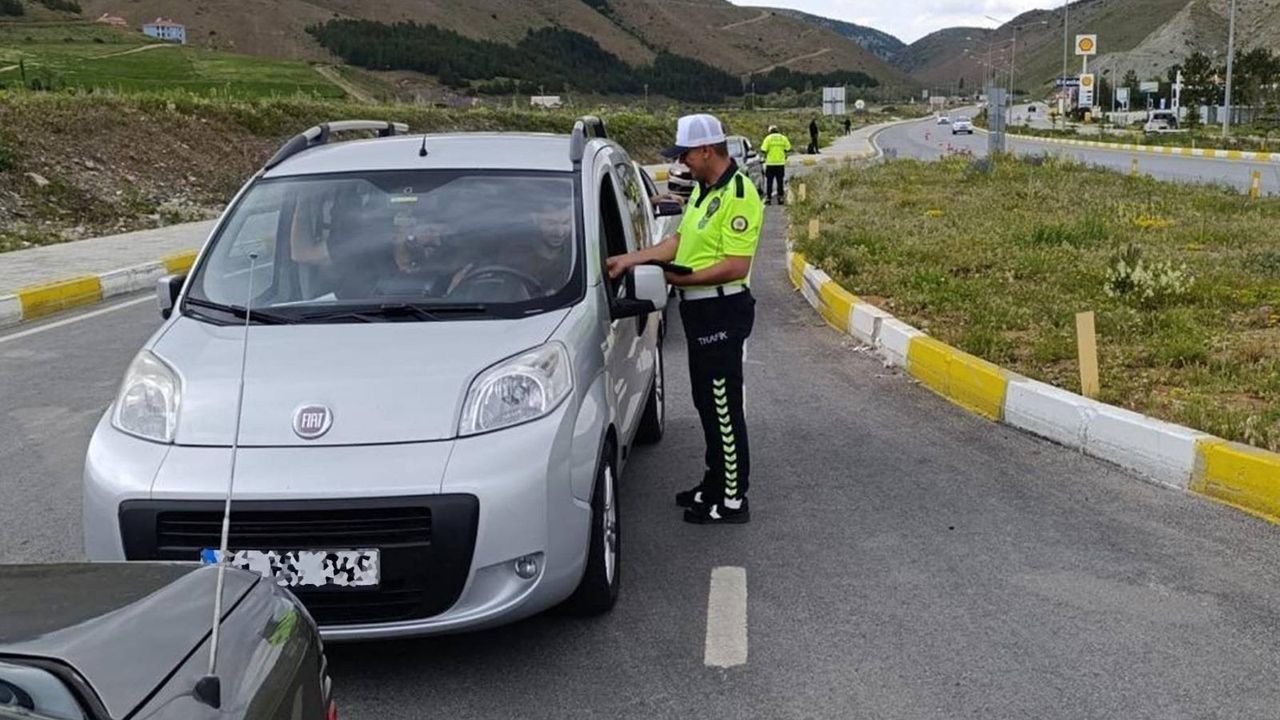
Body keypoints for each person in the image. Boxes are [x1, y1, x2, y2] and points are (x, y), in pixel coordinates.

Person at [606, 113, 763, 525]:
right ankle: (714, 483)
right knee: (705, 402)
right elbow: (679, 241)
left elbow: (736, 264)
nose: (681, 162)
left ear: (707, 150)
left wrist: (679, 278)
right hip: (699, 309)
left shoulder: (739, 193)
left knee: (723, 406)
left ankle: (732, 500)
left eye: (685, 154)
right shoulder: (704, 191)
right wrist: (632, 259)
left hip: (721, 309)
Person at [759, 125, 791, 206]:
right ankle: (780, 198)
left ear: (770, 131)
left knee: (769, 182)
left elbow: (763, 149)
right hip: (780, 163)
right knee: (780, 181)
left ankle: (768, 198)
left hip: (770, 163)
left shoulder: (768, 138)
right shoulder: (783, 138)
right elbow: (788, 148)